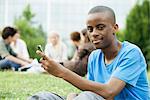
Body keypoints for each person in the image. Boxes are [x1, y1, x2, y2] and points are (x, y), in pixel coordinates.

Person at [29, 6, 150, 100]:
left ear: (115, 28)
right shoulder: (94, 57)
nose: (94, 33)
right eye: (90, 29)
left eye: (100, 27)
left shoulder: (131, 53)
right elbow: (92, 92)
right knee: (43, 97)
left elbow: (109, 92)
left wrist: (61, 71)